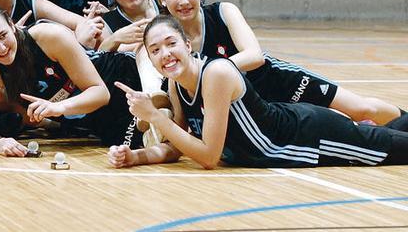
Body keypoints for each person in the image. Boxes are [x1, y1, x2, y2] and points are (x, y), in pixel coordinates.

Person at [109, 15, 408, 169]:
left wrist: (156, 119)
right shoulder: (177, 84)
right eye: (155, 50)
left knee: (396, 149)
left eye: (171, 43)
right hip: (289, 136)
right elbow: (179, 147)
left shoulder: (215, 74)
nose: (165, 54)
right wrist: (135, 157)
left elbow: (208, 157)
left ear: (187, 45)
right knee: (392, 138)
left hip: (305, 138)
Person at [157, 0, 403, 125]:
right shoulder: (164, 37)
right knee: (338, 126)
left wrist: (209, 72)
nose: (184, 1)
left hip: (279, 83)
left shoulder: (223, 12)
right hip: (252, 108)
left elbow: (255, 56)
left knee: (361, 111)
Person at [0, 3, 144, 155]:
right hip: (93, 120)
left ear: (11, 24)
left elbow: (100, 93)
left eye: (3, 36)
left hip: (123, 83)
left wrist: (58, 107)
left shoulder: (48, 36)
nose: (0, 48)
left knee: (148, 145)